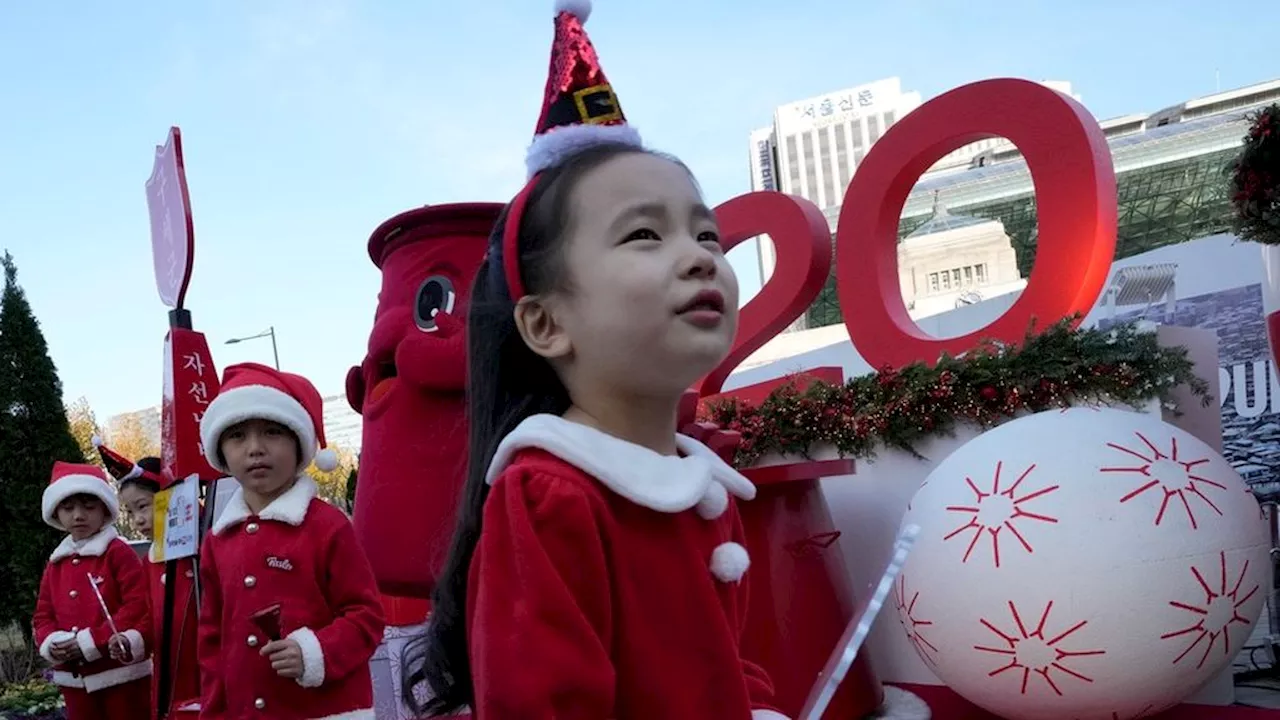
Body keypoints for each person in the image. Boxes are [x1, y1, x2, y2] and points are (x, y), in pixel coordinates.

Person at [402, 1, 786, 717]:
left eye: (707, 236)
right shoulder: (549, 498)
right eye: (645, 234)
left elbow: (733, 671)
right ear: (546, 323)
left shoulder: (699, 483)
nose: (700, 258)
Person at [196, 362, 385, 719]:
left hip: (325, 709)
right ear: (220, 451)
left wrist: (316, 652)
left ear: (299, 445)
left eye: (271, 432)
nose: (255, 449)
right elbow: (211, 641)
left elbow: (367, 616)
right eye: (237, 436)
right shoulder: (218, 540)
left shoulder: (327, 526)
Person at [33, 461, 153, 720]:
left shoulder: (118, 552)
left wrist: (91, 642)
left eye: (88, 506)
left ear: (105, 509)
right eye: (68, 507)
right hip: (74, 682)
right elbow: (43, 615)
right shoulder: (56, 563)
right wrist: (53, 643)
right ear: (56, 513)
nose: (78, 515)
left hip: (120, 678)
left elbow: (137, 605)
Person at [96, 439, 203, 717]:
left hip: (210, 675)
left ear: (172, 498)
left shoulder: (208, 549)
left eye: (143, 506)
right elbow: (148, 617)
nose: (138, 520)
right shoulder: (151, 562)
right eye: (131, 512)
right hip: (171, 679)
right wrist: (131, 640)